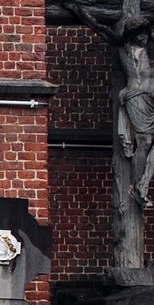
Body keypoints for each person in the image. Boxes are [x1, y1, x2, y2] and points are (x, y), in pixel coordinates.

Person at [64, 0, 154, 207]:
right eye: (138, 33)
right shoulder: (123, 48)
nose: (142, 37)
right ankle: (136, 185)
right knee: (145, 141)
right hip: (136, 97)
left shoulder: (151, 49)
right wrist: (78, 10)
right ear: (131, 35)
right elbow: (100, 28)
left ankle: (144, 183)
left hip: (151, 96)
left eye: (145, 33)